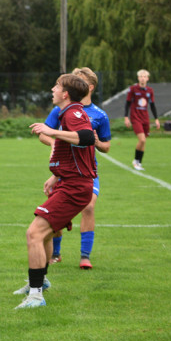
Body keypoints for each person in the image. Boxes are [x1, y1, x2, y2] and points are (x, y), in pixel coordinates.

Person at [15, 73, 97, 309]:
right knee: (47, 233)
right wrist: (56, 175)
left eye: (56, 86)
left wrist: (51, 132)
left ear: (66, 93)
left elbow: (86, 138)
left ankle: (36, 294)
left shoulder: (74, 112)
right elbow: (75, 151)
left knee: (34, 234)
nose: (52, 89)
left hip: (75, 187)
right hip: (68, 182)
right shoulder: (67, 112)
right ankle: (40, 284)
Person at [39, 68, 111, 269]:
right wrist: (56, 144)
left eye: (78, 80)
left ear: (89, 87)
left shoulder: (100, 115)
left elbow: (106, 146)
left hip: (87, 170)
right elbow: (45, 133)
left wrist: (95, 142)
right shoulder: (60, 110)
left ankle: (85, 256)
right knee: (55, 211)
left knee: (88, 206)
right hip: (64, 169)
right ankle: (56, 252)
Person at [124, 69, 160, 171]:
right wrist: (126, 117)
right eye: (141, 76)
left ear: (147, 78)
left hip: (145, 119)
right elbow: (127, 103)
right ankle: (135, 161)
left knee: (144, 142)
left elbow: (152, 105)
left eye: (144, 76)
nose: (142, 78)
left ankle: (139, 162)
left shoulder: (150, 91)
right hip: (135, 118)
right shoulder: (133, 89)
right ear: (138, 78)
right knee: (142, 139)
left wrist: (156, 119)